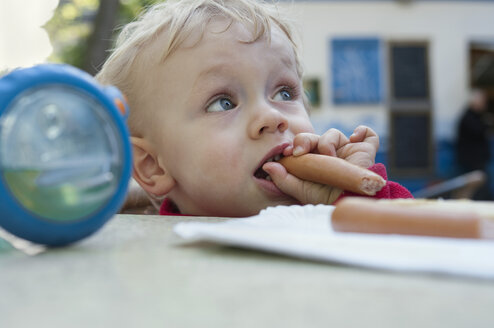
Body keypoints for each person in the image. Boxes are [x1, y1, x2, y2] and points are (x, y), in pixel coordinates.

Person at [97, 0, 412, 217]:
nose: (272, 117)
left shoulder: (326, 217)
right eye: (224, 102)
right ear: (154, 165)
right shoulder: (142, 256)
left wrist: (355, 197)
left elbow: (418, 249)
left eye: (285, 92)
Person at [456, 89, 493, 200]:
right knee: (477, 187)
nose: (484, 105)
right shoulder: (468, 117)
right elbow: (480, 130)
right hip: (472, 161)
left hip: (477, 159)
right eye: (482, 102)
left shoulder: (477, 116)